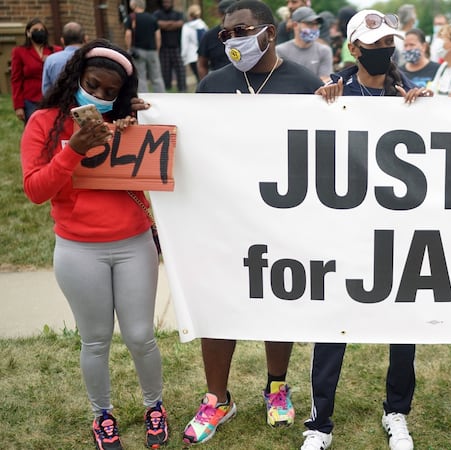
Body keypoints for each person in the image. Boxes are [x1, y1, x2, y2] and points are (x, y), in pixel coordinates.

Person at [182, 1, 322, 445]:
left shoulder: (303, 82)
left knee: (277, 301)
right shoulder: (212, 85)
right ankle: (217, 398)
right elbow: (192, 147)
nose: (231, 39)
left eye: (240, 30)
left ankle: (277, 387)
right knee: (218, 305)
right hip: (224, 218)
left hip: (283, 218)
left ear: (269, 32)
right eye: (224, 34)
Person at [20, 38, 168, 450]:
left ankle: (154, 405)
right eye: (93, 85)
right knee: (96, 340)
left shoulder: (126, 123)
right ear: (75, 79)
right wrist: (74, 152)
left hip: (133, 243)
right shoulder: (45, 123)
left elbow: (165, 165)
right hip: (78, 249)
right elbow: (34, 189)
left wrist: (139, 127)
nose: (100, 96)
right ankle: (102, 415)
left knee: (141, 336)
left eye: (110, 92)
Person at [305, 11, 430, 450]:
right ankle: (319, 424)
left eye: (387, 45)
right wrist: (322, 105)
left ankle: (396, 412)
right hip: (347, 229)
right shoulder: (336, 92)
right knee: (334, 324)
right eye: (373, 45)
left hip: (398, 231)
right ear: (354, 48)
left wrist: (428, 108)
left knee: (403, 324)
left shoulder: (408, 93)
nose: (383, 52)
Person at [11, 18, 63, 123]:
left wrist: (49, 60)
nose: (39, 32)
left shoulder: (56, 51)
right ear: (28, 33)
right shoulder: (19, 52)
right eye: (35, 30)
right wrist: (18, 106)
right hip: (31, 100)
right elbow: (16, 80)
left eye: (41, 30)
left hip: (53, 98)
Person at [276, 6, 333, 81]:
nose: (314, 28)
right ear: (295, 25)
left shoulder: (324, 51)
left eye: (316, 24)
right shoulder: (280, 51)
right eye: (309, 24)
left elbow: (325, 81)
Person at [125, 0, 166, 93]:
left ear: (134, 5)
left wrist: (129, 48)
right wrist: (157, 49)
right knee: (156, 77)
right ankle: (161, 96)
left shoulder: (131, 18)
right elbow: (158, 36)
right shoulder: (152, 18)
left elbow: (128, 34)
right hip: (152, 51)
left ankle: (144, 97)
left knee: (140, 77)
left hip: (138, 52)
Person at [197, 0, 237, 80]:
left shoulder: (244, 34)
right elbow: (201, 64)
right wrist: (206, 85)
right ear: (218, 14)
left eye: (230, 14)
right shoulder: (209, 36)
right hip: (218, 81)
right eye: (223, 13)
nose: (225, 17)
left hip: (242, 80)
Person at [42, 22, 86, 95]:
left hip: (58, 103)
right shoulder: (89, 57)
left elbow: (46, 90)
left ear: (62, 40)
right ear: (84, 38)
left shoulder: (51, 60)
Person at [154, 0, 186, 92]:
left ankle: (182, 88)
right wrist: (173, 24)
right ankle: (167, 88)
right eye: (164, 2)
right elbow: (157, 24)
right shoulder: (157, 13)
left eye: (168, 2)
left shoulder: (177, 13)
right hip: (163, 47)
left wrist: (165, 25)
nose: (166, 4)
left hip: (176, 46)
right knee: (165, 71)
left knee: (180, 69)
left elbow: (180, 23)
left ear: (171, 3)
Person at [181, 3, 208, 82]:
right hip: (203, 56)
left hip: (192, 56)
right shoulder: (203, 24)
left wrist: (183, 56)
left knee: (198, 78)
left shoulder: (186, 27)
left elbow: (184, 43)